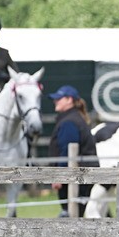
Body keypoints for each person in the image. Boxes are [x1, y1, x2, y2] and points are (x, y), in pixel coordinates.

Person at [47, 85, 99, 218]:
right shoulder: (73, 118)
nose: (55, 101)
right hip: (80, 177)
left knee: (72, 215)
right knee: (74, 215)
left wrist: (60, 175)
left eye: (59, 99)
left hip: (75, 179)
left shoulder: (69, 122)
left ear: (69, 100)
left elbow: (68, 152)